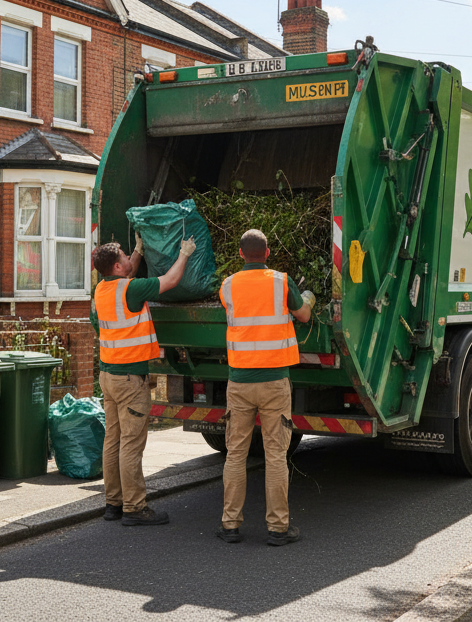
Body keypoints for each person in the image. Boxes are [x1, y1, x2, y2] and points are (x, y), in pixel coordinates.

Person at [216, 229, 314, 546]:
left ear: (241, 254)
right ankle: (278, 529)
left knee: (235, 455)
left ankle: (230, 525)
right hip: (274, 382)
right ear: (268, 252)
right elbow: (303, 314)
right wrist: (308, 297)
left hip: (240, 382)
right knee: (275, 456)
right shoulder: (281, 282)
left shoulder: (227, 286)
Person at [92, 234, 195, 526]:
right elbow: (170, 280)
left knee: (113, 440)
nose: (129, 260)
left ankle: (113, 503)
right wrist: (185, 253)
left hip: (108, 376)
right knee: (131, 444)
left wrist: (137, 250)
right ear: (116, 266)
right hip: (129, 379)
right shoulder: (132, 290)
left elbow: (129, 271)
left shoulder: (101, 290)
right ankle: (134, 508)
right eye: (125, 256)